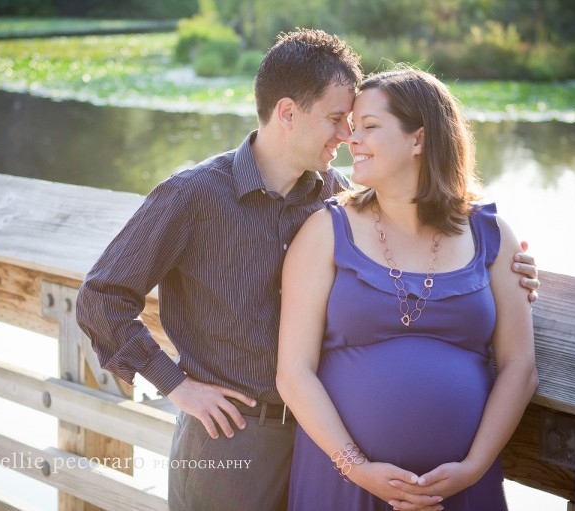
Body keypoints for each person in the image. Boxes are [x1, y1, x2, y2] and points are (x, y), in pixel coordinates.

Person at [76, 31, 539, 511]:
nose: (347, 136)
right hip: (233, 438)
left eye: (356, 123)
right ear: (288, 113)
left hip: (316, 442)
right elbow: (101, 297)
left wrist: (509, 266)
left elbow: (430, 227)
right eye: (338, 120)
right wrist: (177, 385)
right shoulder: (192, 195)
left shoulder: (337, 197)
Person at [277, 66, 539, 511]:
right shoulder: (324, 231)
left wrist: (474, 466)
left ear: (418, 140)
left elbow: (520, 367)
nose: (351, 139)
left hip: (460, 490)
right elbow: (294, 372)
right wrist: (355, 466)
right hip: (342, 485)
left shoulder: (491, 235)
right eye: (353, 128)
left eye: (370, 128)